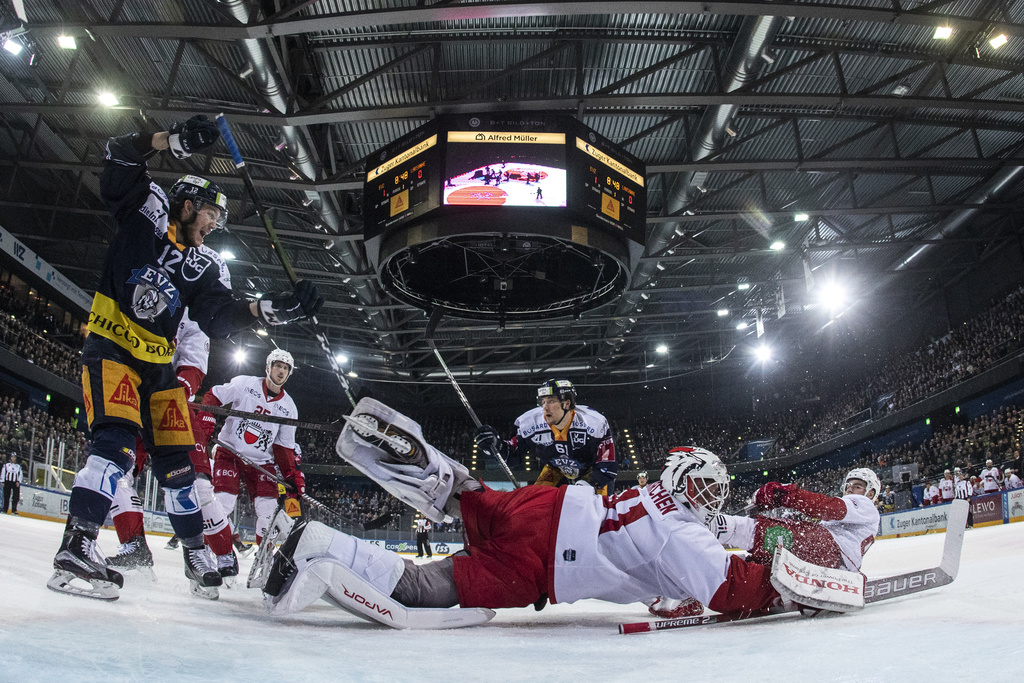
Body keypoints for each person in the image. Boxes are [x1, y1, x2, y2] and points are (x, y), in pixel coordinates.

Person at [48, 115, 324, 602]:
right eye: (210, 216)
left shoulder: (202, 262)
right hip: (112, 347)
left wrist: (272, 308)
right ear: (188, 204)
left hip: (159, 371)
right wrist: (168, 140)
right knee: (115, 446)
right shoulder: (147, 205)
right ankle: (78, 544)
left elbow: (217, 317)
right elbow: (117, 156)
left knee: (178, 463)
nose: (213, 226)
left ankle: (197, 555)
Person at [259, 399, 783, 626]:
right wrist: (787, 582)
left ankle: (435, 467)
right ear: (685, 485)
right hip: (545, 562)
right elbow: (731, 588)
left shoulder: (654, 499)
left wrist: (759, 532)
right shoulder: (682, 533)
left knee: (472, 495)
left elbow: (699, 542)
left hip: (545, 503)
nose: (712, 498)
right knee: (425, 589)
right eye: (707, 487)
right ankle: (321, 542)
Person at [105, 313, 239, 595]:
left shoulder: (192, 313)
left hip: (170, 405)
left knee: (198, 487)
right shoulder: (140, 291)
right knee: (116, 472)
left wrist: (171, 390)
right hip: (131, 398)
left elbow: (194, 367)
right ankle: (134, 546)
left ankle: (216, 555)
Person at [207, 349, 304, 551]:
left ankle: (263, 560)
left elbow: (284, 447)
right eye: (277, 365)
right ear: (267, 367)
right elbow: (214, 395)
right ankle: (217, 553)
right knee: (223, 504)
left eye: (286, 368)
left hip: (260, 462)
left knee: (268, 513)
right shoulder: (245, 384)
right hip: (230, 451)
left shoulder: (289, 407)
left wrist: (290, 475)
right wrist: (206, 422)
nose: (281, 371)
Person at [474, 379, 617, 494]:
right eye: (543, 402)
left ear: (567, 403)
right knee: (537, 503)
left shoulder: (594, 423)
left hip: (592, 471)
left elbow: (607, 466)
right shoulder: (531, 422)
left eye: (551, 401)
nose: (545, 407)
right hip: (555, 469)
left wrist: (585, 486)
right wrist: (493, 445)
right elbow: (512, 456)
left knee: (599, 512)